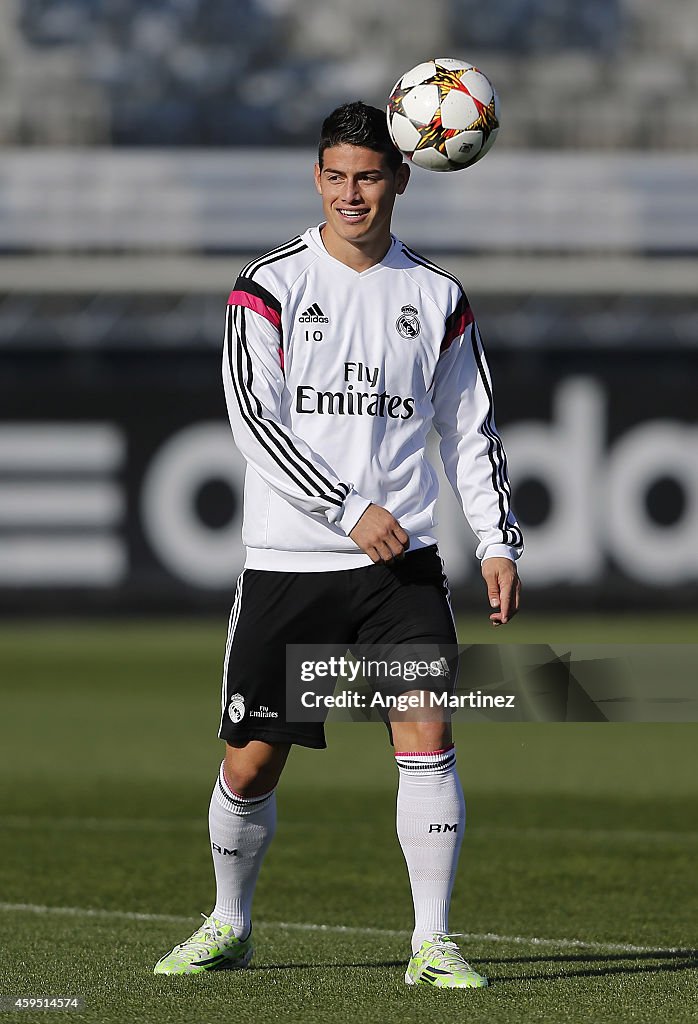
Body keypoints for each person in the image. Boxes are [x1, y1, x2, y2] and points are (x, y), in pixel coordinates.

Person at [154, 101, 522, 988]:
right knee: (249, 766)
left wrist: (498, 540)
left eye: (368, 176)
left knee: (427, 731)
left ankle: (432, 941)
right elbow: (254, 420)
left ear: (402, 177)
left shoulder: (437, 296)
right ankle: (229, 920)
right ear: (317, 179)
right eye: (336, 177)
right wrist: (348, 506)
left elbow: (469, 431)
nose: (351, 194)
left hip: (402, 567)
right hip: (290, 563)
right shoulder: (268, 285)